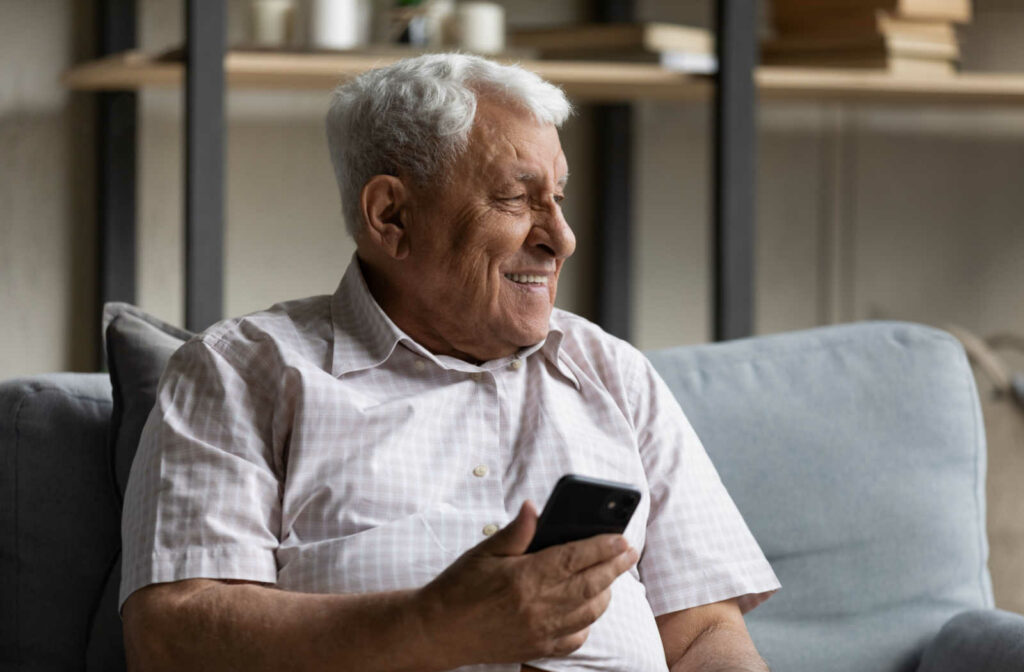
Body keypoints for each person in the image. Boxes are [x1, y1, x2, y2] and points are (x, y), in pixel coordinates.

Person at [120, 53, 780, 672]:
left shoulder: (613, 373)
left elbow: (703, 632)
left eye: (560, 197)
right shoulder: (241, 374)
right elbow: (172, 634)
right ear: (391, 216)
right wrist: (435, 624)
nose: (562, 238)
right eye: (518, 199)